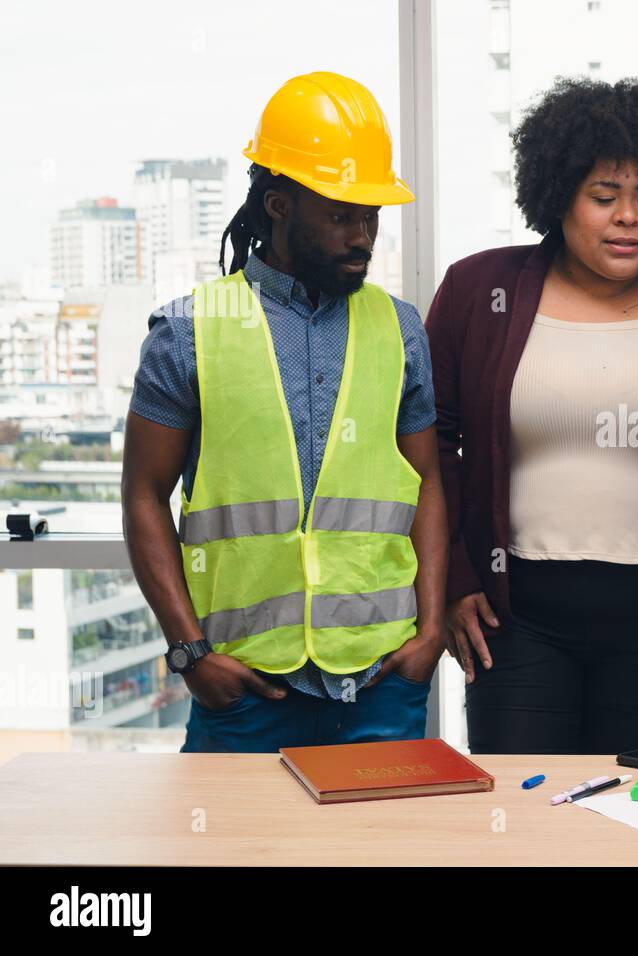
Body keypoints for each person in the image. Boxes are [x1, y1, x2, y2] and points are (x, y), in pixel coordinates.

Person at [122, 72, 449, 753]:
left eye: (371, 216)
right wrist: (189, 652)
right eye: (340, 216)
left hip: (380, 680)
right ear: (278, 204)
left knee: (382, 860)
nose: (362, 235)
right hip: (242, 685)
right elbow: (144, 497)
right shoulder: (187, 332)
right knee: (237, 859)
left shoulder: (401, 329)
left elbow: (427, 488)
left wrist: (431, 632)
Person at [426, 76, 638, 754]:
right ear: (559, 198)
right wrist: (455, 581)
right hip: (517, 614)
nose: (627, 217)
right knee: (526, 814)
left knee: (625, 809)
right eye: (604, 197)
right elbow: (431, 444)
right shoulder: (478, 289)